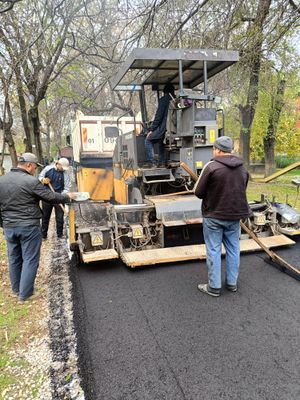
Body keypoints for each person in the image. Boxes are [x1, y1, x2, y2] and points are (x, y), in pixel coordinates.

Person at [0, 153, 76, 302]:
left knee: (14, 258)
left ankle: (16, 290)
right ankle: (25, 294)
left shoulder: (2, 181)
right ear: (28, 165)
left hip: (10, 226)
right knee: (30, 258)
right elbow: (49, 197)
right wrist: (68, 197)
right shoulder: (30, 181)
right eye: (35, 167)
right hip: (28, 226)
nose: (35, 169)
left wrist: (3, 224)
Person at [194, 136, 252, 297]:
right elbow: (243, 188)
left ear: (219, 150)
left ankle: (214, 287)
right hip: (235, 216)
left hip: (214, 215)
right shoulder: (242, 168)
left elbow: (198, 192)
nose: (213, 151)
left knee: (213, 250)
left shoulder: (211, 167)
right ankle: (232, 284)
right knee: (234, 249)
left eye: (214, 148)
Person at [38, 158, 71, 239]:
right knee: (45, 217)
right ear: (58, 164)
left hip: (59, 197)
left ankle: (60, 235)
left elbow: (67, 187)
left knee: (60, 218)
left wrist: (60, 196)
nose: (63, 169)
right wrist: (43, 180)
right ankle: (43, 235)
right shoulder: (48, 169)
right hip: (47, 197)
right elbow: (40, 177)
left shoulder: (66, 173)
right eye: (62, 167)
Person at [144, 83, 175, 167]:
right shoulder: (176, 100)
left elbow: (158, 117)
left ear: (165, 92)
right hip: (174, 130)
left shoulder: (164, 100)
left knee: (148, 140)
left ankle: (152, 162)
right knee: (162, 142)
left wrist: (151, 130)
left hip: (164, 128)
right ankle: (162, 163)